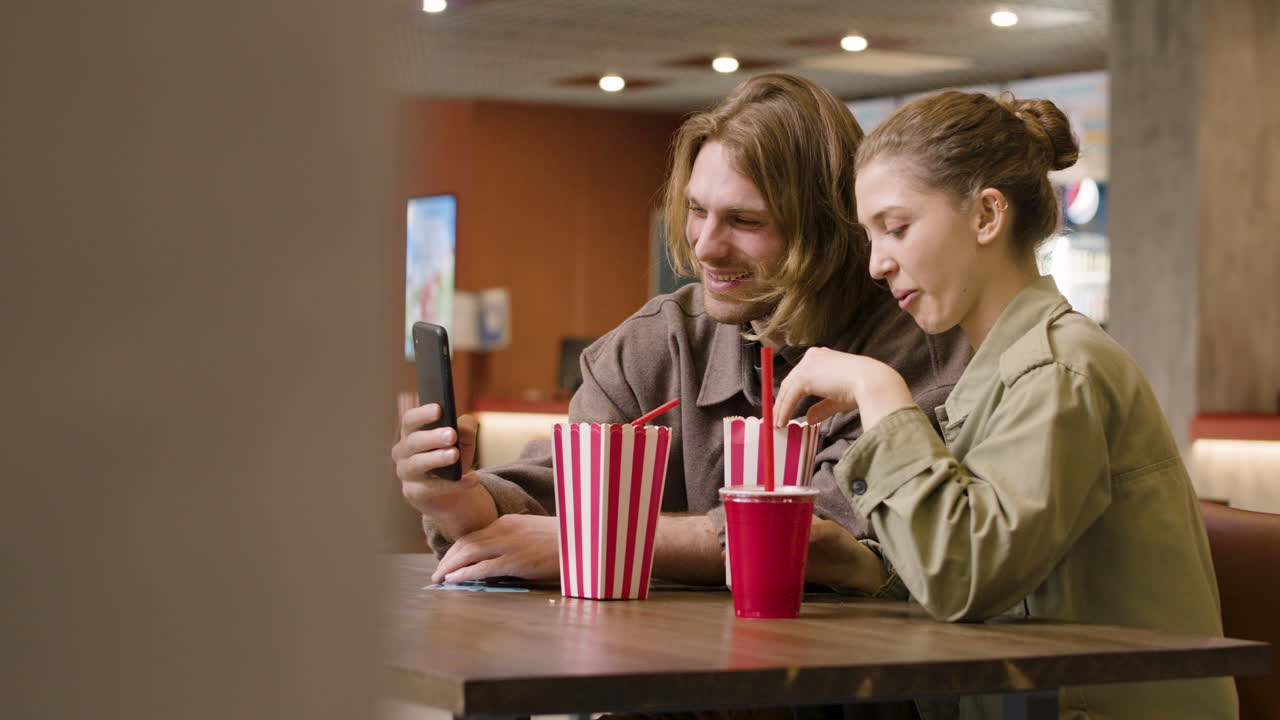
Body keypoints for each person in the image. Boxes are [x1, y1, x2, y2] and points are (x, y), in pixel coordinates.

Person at [392, 72, 970, 590]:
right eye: (697, 211)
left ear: (831, 226)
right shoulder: (656, 342)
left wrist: (587, 543)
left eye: (745, 221)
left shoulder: (914, 354)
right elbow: (556, 495)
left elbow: (821, 537)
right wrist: (456, 501)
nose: (705, 245)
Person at [772, 90, 1237, 719]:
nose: (878, 264)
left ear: (988, 215)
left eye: (898, 227)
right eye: (871, 236)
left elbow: (966, 579)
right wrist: (863, 566)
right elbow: (996, 568)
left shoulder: (1060, 370)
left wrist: (880, 393)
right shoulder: (1000, 373)